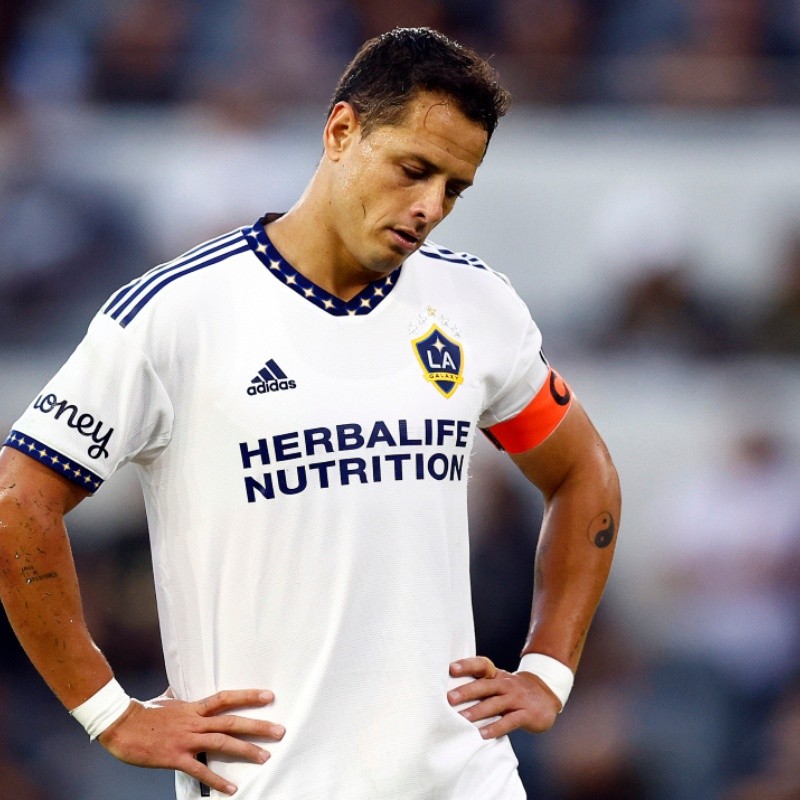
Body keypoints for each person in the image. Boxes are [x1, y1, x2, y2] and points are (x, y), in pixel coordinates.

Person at [0, 27, 620, 800]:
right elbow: (19, 502)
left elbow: (583, 474)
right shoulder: (175, 314)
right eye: (414, 170)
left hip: (467, 779)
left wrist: (549, 670)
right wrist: (109, 712)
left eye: (455, 188)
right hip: (270, 784)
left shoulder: (475, 305)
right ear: (340, 132)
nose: (430, 206)